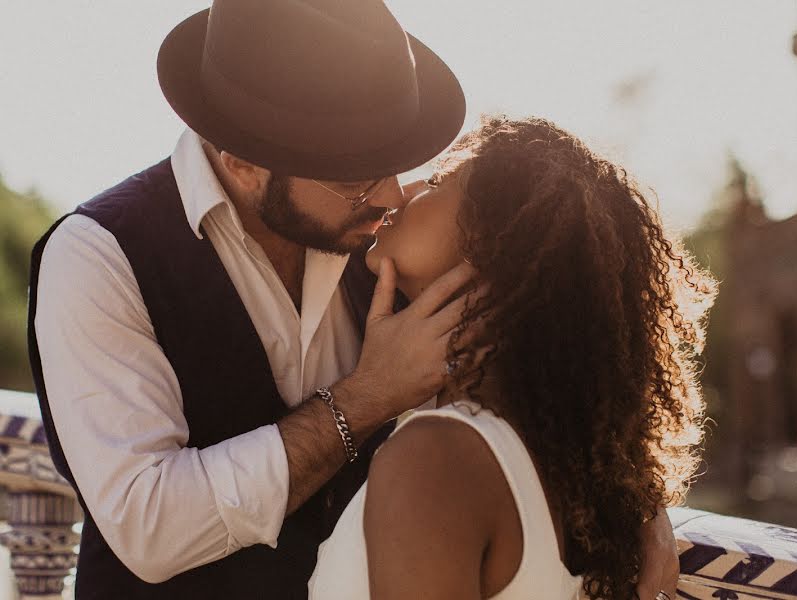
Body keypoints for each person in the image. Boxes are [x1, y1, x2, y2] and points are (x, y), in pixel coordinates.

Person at [28, 1, 679, 598]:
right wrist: (367, 399)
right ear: (243, 164)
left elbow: (556, 343)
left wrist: (638, 498)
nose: (392, 195)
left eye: (397, 163)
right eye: (354, 179)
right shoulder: (97, 257)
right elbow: (151, 528)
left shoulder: (392, 251)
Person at [308, 115, 716, 600]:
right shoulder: (562, 466)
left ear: (496, 245)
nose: (403, 191)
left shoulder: (437, 455)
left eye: (438, 181)